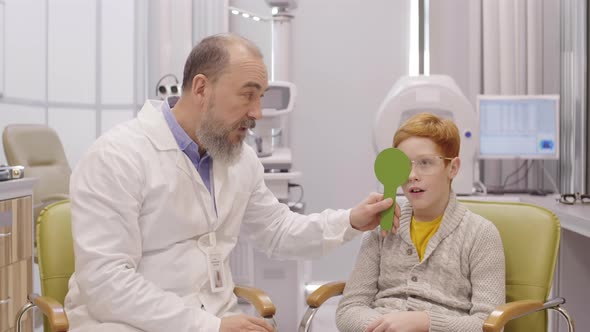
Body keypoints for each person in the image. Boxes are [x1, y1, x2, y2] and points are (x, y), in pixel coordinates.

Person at [63, 33, 398, 332]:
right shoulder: (115, 157)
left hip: (215, 317)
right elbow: (106, 283)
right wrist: (210, 326)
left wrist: (351, 221)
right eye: (247, 96)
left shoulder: (238, 159)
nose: (258, 113)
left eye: (261, 97)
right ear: (201, 89)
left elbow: (278, 231)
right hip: (123, 322)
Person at [335, 113, 506, 332]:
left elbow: (489, 324)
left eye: (425, 163)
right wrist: (385, 327)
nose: (412, 175)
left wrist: (426, 323)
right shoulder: (381, 225)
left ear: (452, 168)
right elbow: (349, 309)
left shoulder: (480, 234)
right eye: (403, 165)